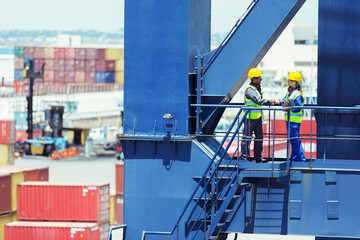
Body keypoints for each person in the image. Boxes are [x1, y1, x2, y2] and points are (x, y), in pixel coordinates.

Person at [240, 68, 277, 163]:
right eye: (259, 77)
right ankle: (244, 157)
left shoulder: (256, 89)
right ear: (254, 79)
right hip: (250, 118)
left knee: (259, 137)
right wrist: (270, 101)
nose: (261, 79)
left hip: (257, 117)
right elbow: (258, 101)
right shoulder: (250, 90)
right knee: (247, 137)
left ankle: (258, 157)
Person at [275, 71, 306, 162]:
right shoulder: (291, 93)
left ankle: (295, 159)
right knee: (294, 139)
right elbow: (284, 100)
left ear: (296, 82)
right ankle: (301, 158)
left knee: (293, 140)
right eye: (288, 80)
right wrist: (275, 101)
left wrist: (288, 108)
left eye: (290, 81)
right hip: (290, 120)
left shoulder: (297, 95)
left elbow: (298, 108)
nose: (288, 82)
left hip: (294, 121)